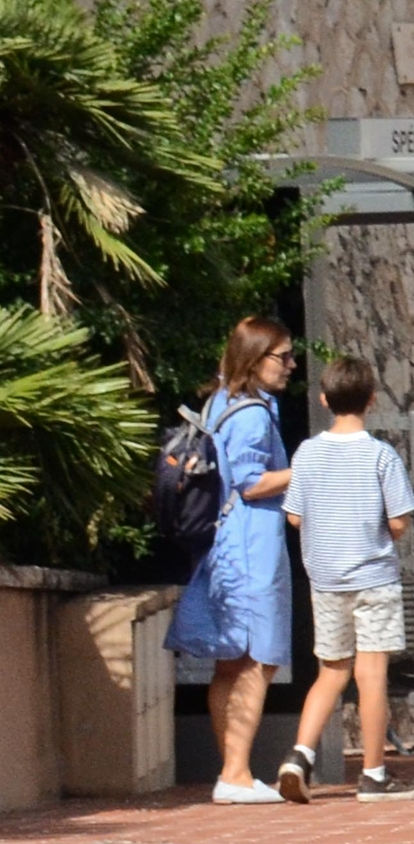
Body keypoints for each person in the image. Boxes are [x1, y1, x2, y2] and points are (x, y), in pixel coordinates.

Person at [274, 359, 414, 804]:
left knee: (331, 671)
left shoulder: (306, 453)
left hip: (325, 577)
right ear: (372, 400)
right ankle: (374, 775)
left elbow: (295, 515)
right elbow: (399, 522)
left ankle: (300, 755)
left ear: (324, 400)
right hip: (373, 576)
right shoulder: (381, 455)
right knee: (371, 673)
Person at [166, 319, 296, 804]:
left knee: (231, 662)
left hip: (225, 544)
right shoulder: (252, 414)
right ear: (256, 357)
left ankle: (233, 770)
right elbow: (251, 482)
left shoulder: (221, 401)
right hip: (250, 545)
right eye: (281, 356)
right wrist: (302, 467)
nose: (290, 366)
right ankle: (236, 773)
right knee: (257, 660)